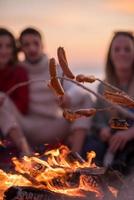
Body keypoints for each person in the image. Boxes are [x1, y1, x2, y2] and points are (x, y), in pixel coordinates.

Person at [17, 27, 92, 154]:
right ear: (21, 48)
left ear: (43, 45)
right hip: (27, 128)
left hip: (55, 126)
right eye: (26, 44)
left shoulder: (55, 67)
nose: (32, 48)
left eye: (35, 43)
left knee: (85, 98)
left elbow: (76, 89)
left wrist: (68, 96)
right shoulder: (18, 70)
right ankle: (26, 153)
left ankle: (75, 155)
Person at [83, 31, 134, 172]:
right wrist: (103, 130)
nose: (122, 53)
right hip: (112, 139)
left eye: (127, 49)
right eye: (117, 49)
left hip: (130, 137)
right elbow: (97, 120)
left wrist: (129, 133)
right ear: (110, 55)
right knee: (91, 147)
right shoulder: (102, 86)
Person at [0, 29, 31, 168]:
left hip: (16, 122)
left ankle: (25, 151)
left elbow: (23, 107)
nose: (4, 51)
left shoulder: (19, 71)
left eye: (8, 46)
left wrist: (5, 103)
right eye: (0, 46)